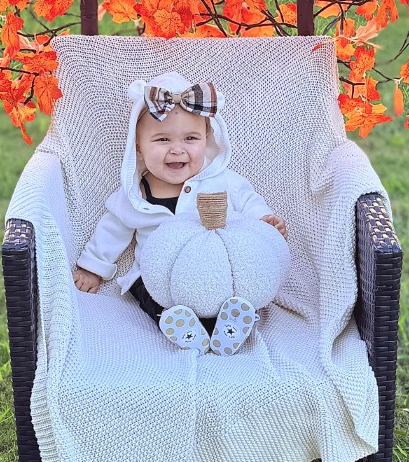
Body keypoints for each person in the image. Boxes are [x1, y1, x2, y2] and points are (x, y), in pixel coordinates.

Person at [72, 72, 287, 355]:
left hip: (213, 272)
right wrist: (93, 267)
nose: (177, 150)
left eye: (190, 138)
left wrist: (264, 221)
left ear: (207, 139)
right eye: (162, 139)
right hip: (156, 276)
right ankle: (181, 326)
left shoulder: (221, 180)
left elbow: (249, 201)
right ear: (138, 146)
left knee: (232, 289)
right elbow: (112, 230)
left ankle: (230, 324)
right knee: (146, 291)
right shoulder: (135, 194)